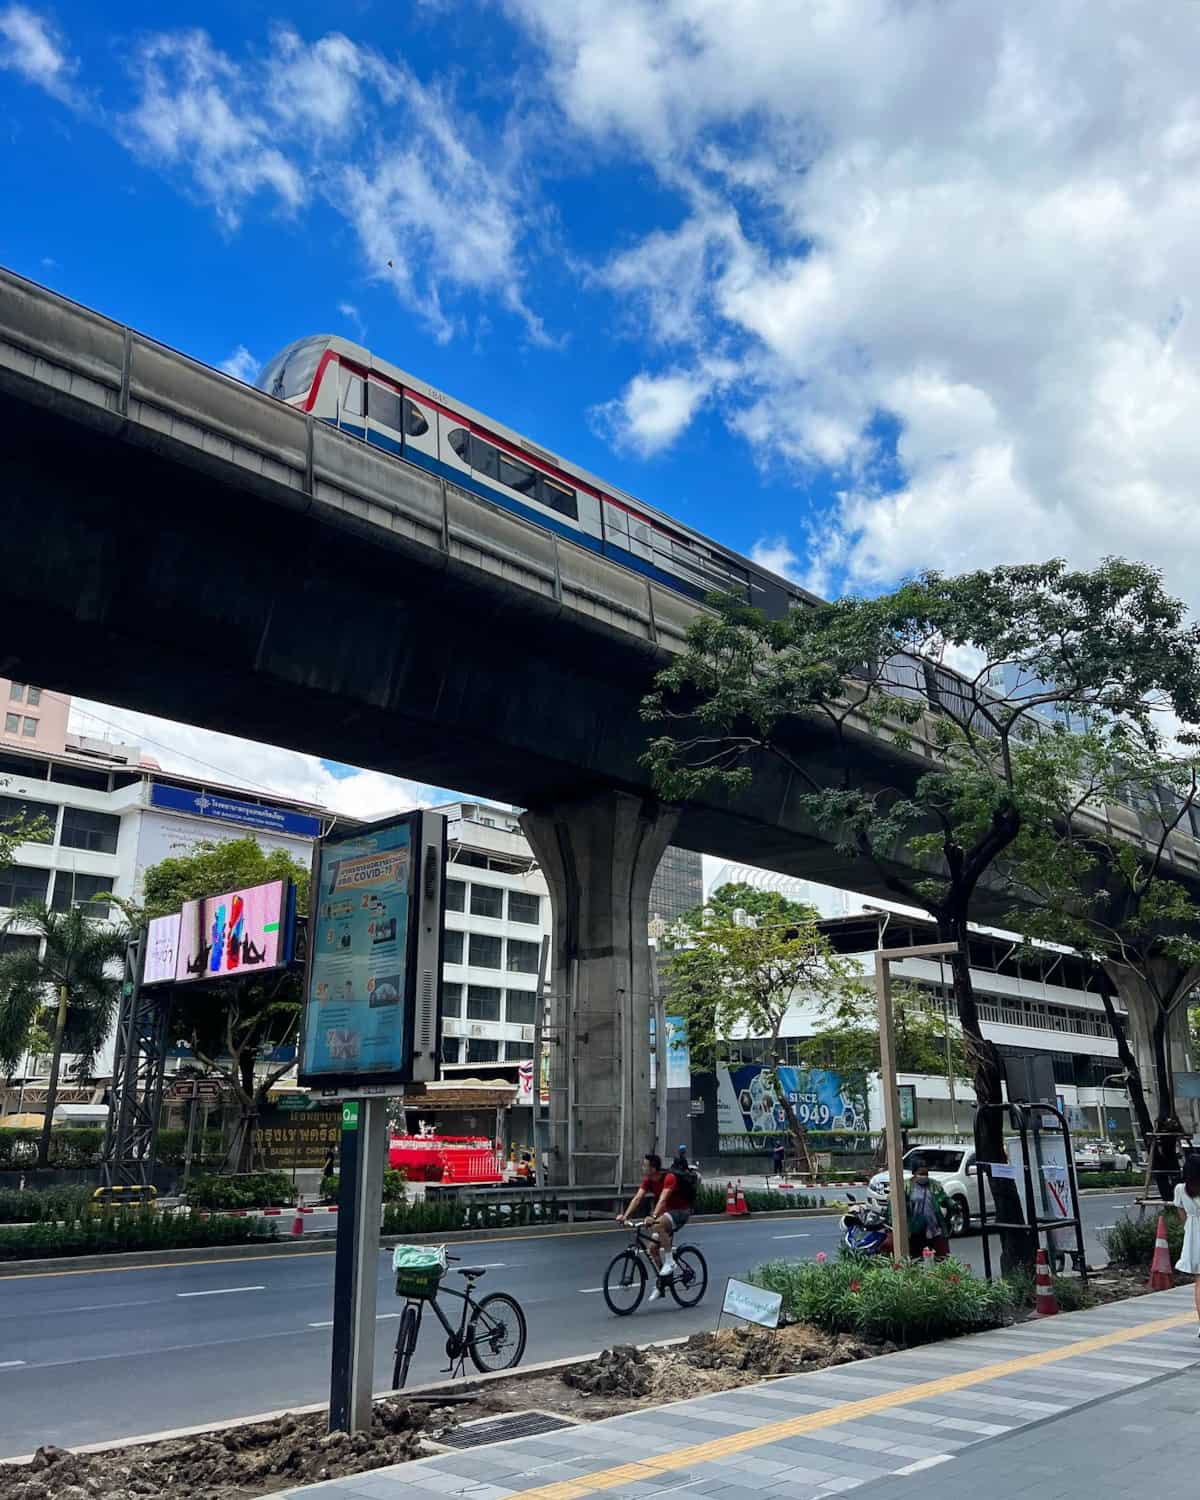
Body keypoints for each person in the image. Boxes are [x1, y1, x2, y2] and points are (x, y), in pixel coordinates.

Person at [617, 1152, 693, 1300]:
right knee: (652, 1249)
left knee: (658, 1224)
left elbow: (663, 1200)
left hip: (681, 1212)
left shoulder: (669, 1178)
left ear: (653, 1168)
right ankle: (662, 1283)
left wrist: (652, 1217)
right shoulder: (648, 1180)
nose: (642, 1167)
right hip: (667, 1214)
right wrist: (625, 1216)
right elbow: (638, 1198)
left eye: (645, 1165)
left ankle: (670, 1262)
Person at [904, 1157, 951, 1260]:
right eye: (921, 1173)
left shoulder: (935, 1185)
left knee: (942, 1257)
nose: (924, 1176)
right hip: (915, 1229)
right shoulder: (906, 1186)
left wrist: (950, 1204)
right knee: (916, 1258)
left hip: (934, 1227)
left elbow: (944, 1199)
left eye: (926, 1173)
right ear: (914, 1173)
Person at [1174, 1154, 1200, 1333]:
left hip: (1193, 1237)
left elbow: (1181, 1213)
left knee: (1199, 1283)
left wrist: (1189, 1230)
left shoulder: (1180, 1189)